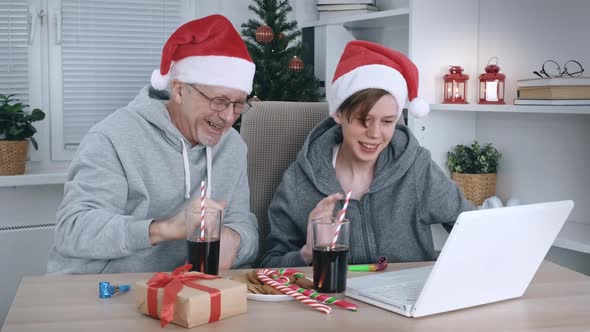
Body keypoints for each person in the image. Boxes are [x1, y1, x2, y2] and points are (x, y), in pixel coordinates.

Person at [48, 15, 259, 274]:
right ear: (180, 90)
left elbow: (243, 224)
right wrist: (166, 228)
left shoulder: (232, 146)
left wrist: (234, 240)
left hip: (185, 289)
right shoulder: (112, 137)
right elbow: (73, 230)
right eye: (219, 101)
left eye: (239, 104)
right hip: (102, 289)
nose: (228, 117)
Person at [261, 40, 475, 268]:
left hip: (406, 298)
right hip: (333, 300)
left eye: (387, 122)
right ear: (339, 113)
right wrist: (307, 254)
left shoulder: (417, 168)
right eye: (364, 120)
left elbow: (474, 230)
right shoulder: (299, 181)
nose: (375, 134)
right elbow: (268, 264)